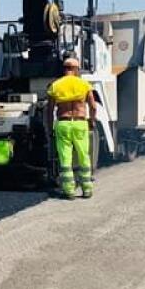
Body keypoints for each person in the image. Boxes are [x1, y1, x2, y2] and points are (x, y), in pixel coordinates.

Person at [46, 57, 97, 199]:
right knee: (83, 155)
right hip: (80, 123)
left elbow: (49, 110)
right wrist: (92, 121)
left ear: (65, 69)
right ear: (76, 69)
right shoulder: (84, 84)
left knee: (65, 158)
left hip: (63, 123)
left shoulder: (55, 85)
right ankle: (87, 189)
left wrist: (50, 128)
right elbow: (93, 106)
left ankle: (69, 191)